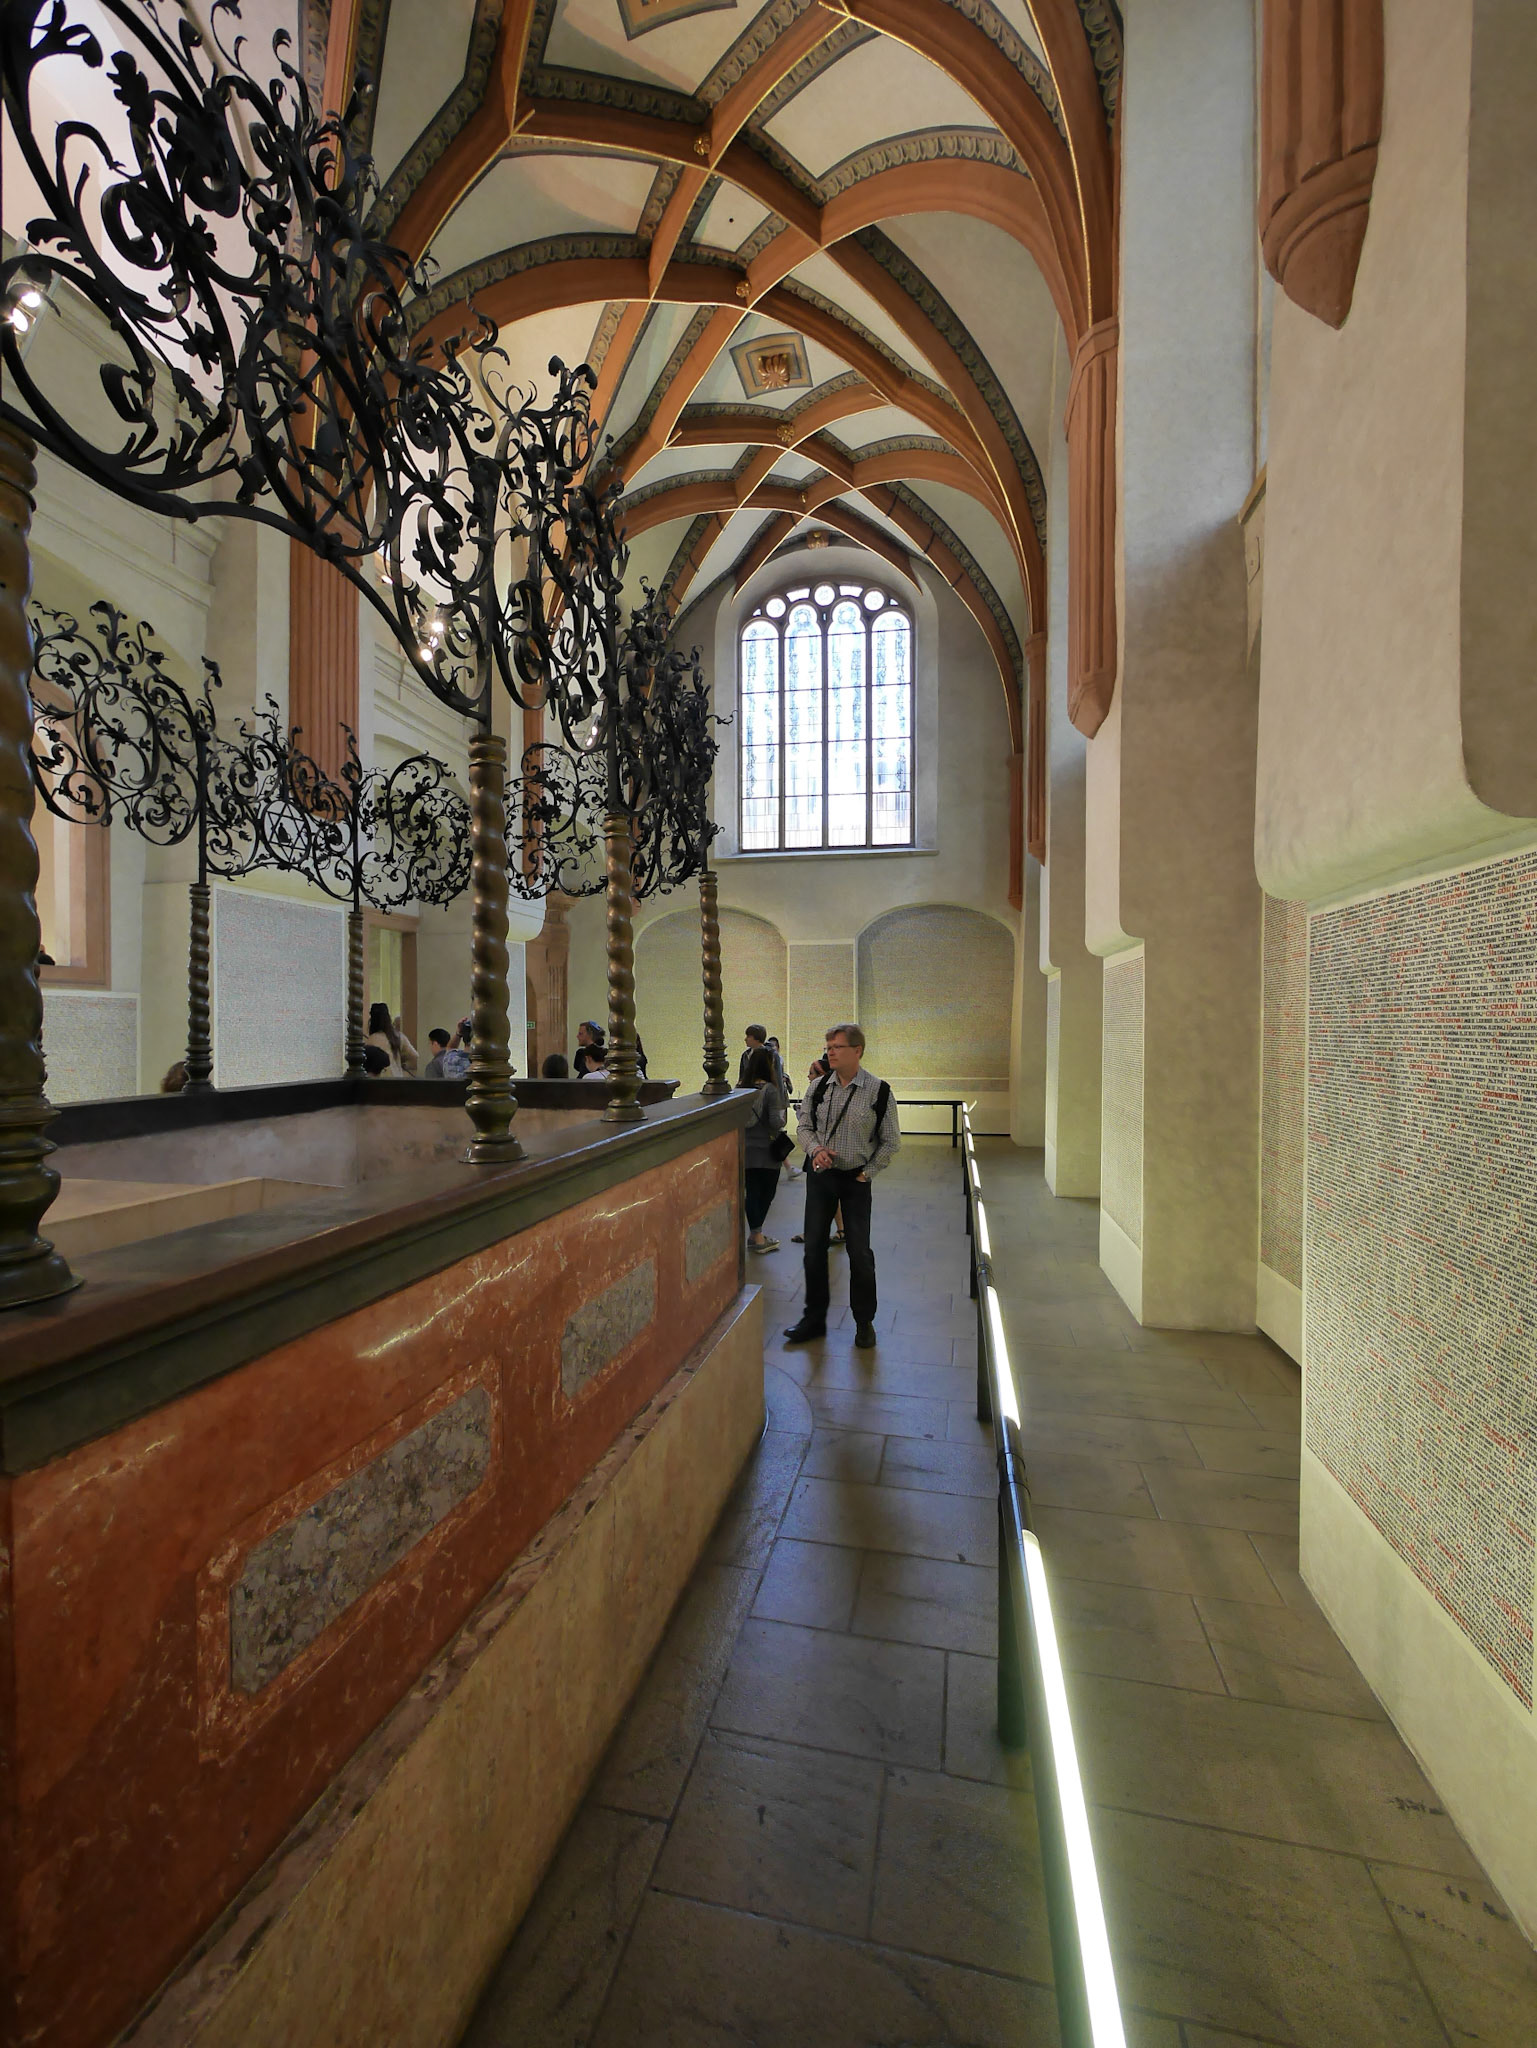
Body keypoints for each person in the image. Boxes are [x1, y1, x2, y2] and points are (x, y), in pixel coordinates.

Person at [784, 1024, 900, 1351]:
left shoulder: (878, 1091)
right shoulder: (819, 1088)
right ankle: (813, 1319)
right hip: (822, 1177)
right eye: (828, 1046)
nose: (830, 1051)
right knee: (813, 1249)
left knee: (859, 1253)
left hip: (856, 1181)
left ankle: (864, 1322)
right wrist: (815, 1149)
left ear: (857, 1050)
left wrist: (868, 1173)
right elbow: (804, 1126)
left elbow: (891, 1141)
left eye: (837, 1046)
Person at [742, 1043, 788, 1254]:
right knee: (767, 1193)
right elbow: (777, 1122)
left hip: (747, 1148)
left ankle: (754, 1233)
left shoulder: (740, 1088)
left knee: (751, 1191)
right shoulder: (771, 1090)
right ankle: (758, 1236)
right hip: (768, 1149)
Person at [366, 1001, 418, 1076]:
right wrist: (402, 1063)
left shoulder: (372, 1040)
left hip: (381, 1081)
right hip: (397, 1079)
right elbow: (414, 1056)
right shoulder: (398, 1036)